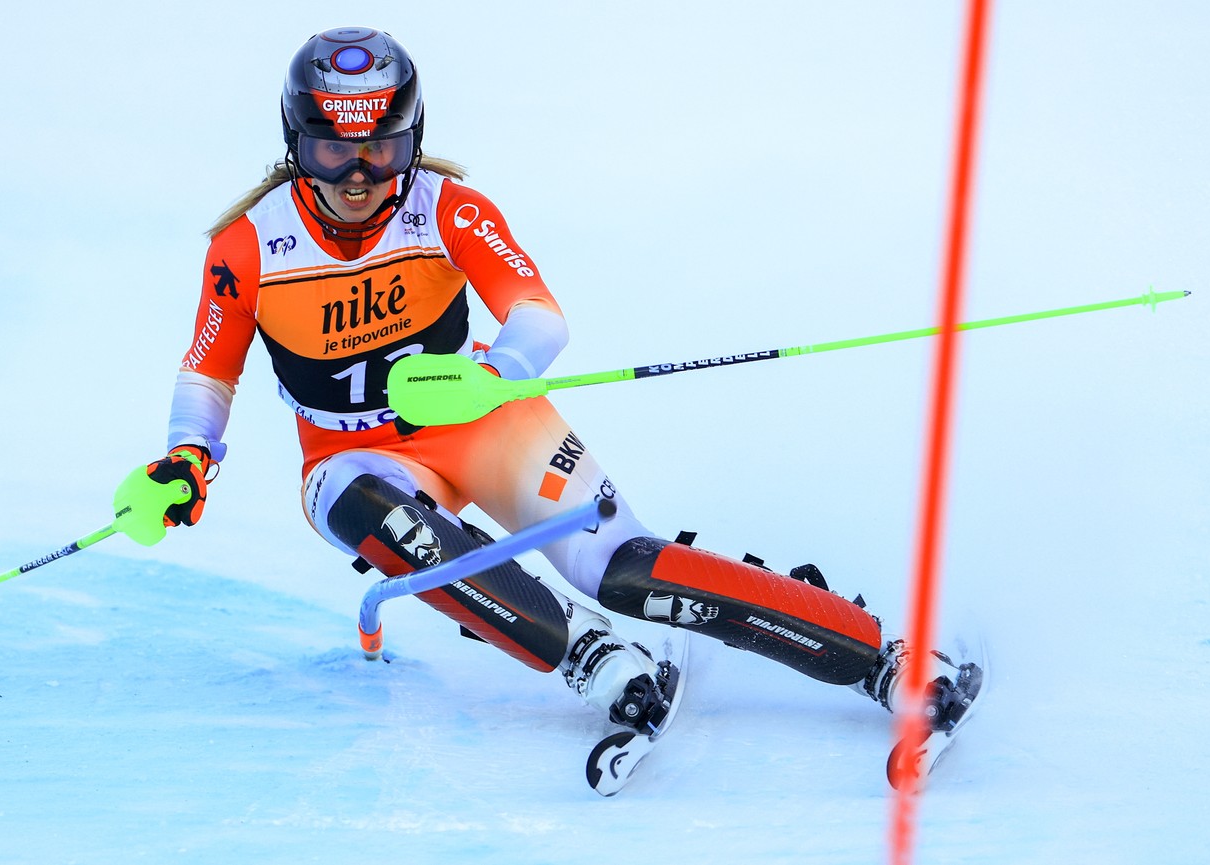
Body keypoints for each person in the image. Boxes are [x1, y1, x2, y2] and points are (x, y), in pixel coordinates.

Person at [138, 26, 978, 741]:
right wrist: (186, 459)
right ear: (295, 142)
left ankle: (886, 657)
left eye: (381, 148)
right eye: (332, 149)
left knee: (627, 571)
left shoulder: (448, 209)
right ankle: (585, 651)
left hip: (483, 424)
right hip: (352, 456)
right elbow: (209, 368)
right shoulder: (250, 246)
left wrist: (491, 378)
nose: (357, 176)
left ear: (411, 137)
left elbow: (540, 315)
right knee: (373, 516)